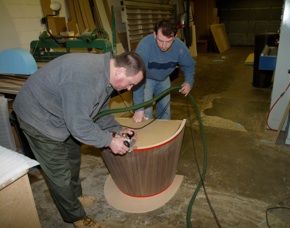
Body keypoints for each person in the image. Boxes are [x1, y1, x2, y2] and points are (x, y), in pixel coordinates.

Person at [13, 51, 145, 228]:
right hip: (38, 117)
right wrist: (110, 141)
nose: (129, 89)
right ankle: (76, 216)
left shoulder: (106, 73)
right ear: (120, 71)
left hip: (62, 113)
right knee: (59, 173)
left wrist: (117, 131)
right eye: (130, 83)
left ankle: (74, 196)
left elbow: (98, 109)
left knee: (72, 157)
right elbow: (79, 126)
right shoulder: (86, 79)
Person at [132, 19, 196, 122]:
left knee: (165, 111)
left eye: (168, 41)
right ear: (154, 34)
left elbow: (189, 65)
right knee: (145, 112)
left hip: (164, 78)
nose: (164, 46)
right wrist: (139, 108)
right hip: (145, 79)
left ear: (174, 38)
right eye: (160, 40)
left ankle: (163, 133)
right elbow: (136, 76)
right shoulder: (144, 47)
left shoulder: (180, 47)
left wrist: (188, 82)